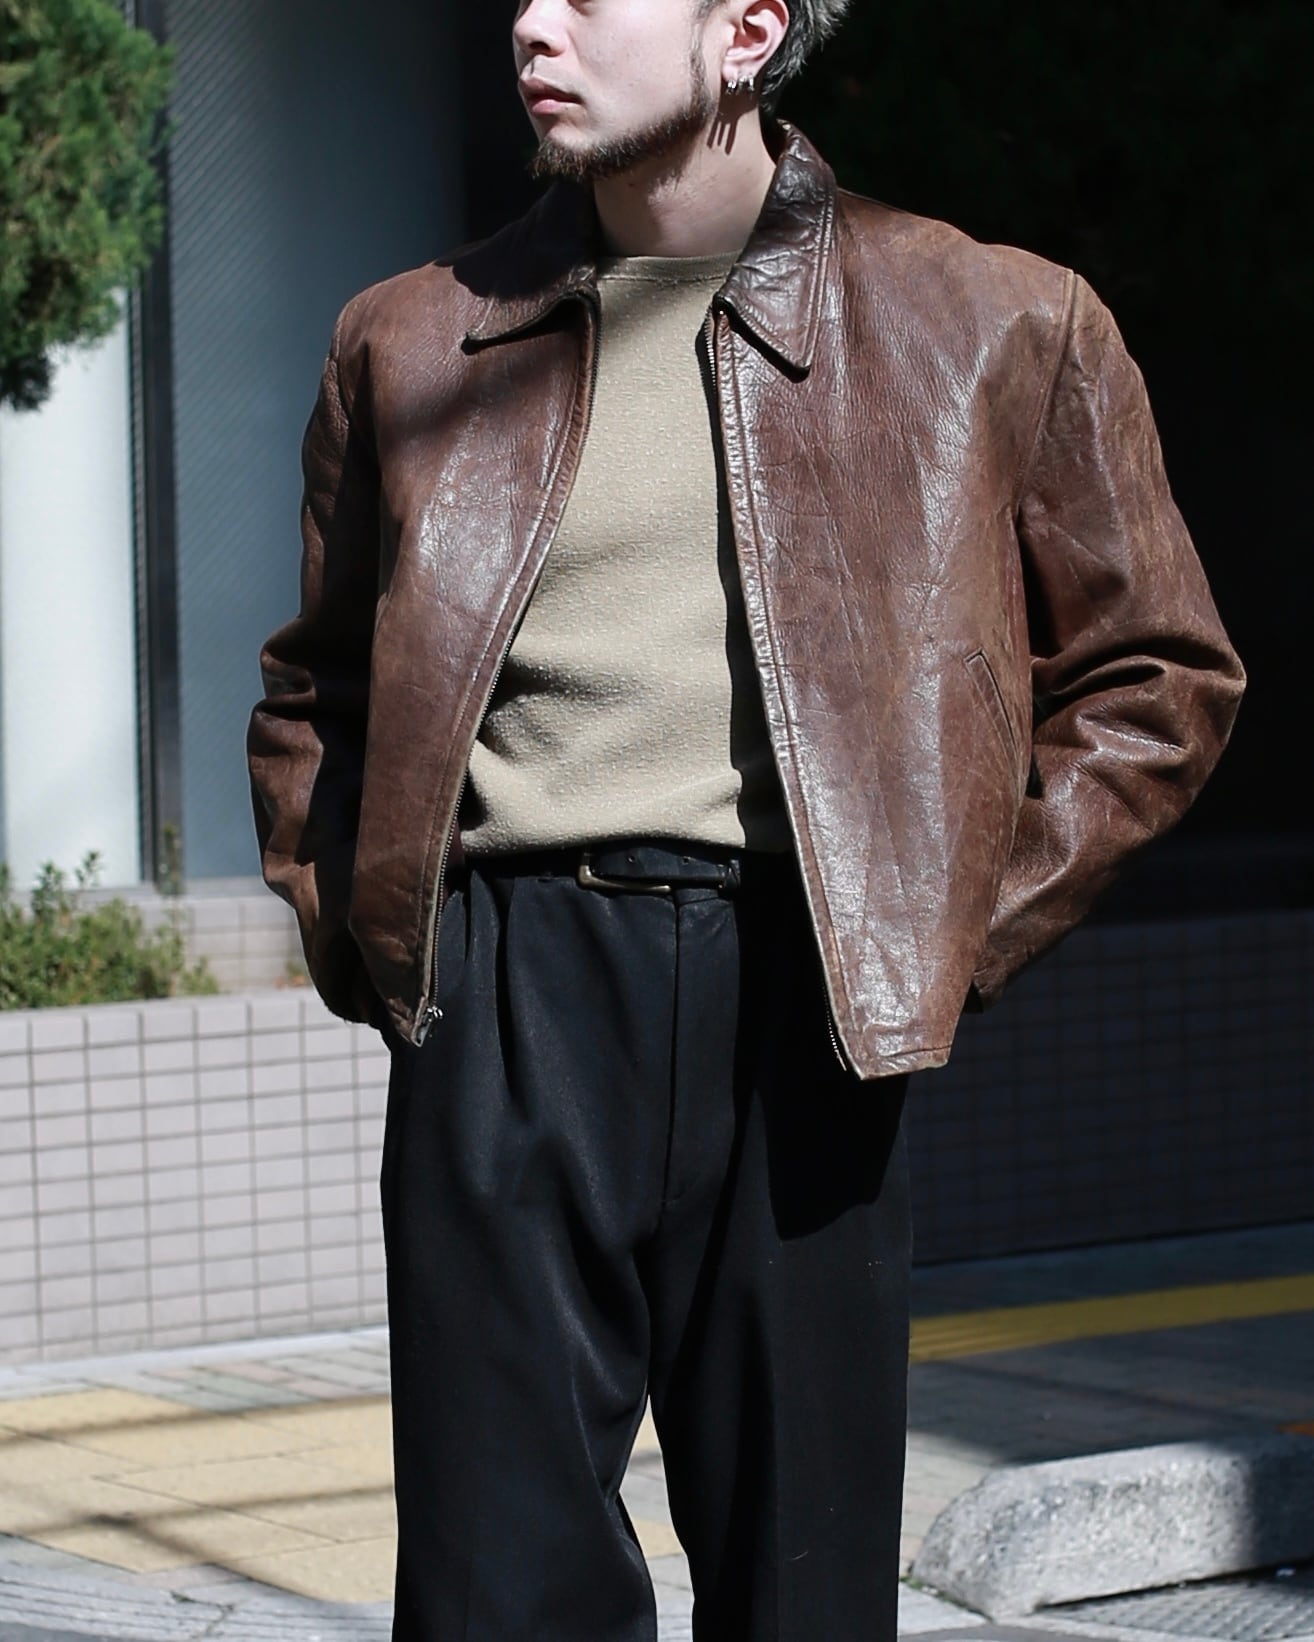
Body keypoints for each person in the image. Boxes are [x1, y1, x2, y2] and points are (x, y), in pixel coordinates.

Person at [246, 0, 1244, 1635]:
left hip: (806, 998)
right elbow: (316, 692)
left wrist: (940, 929)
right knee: (496, 1588)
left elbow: (1159, 677)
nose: (532, 25)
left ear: (748, 29)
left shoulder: (990, 318)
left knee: (803, 1579)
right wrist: (391, 953)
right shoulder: (411, 337)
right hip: (503, 997)